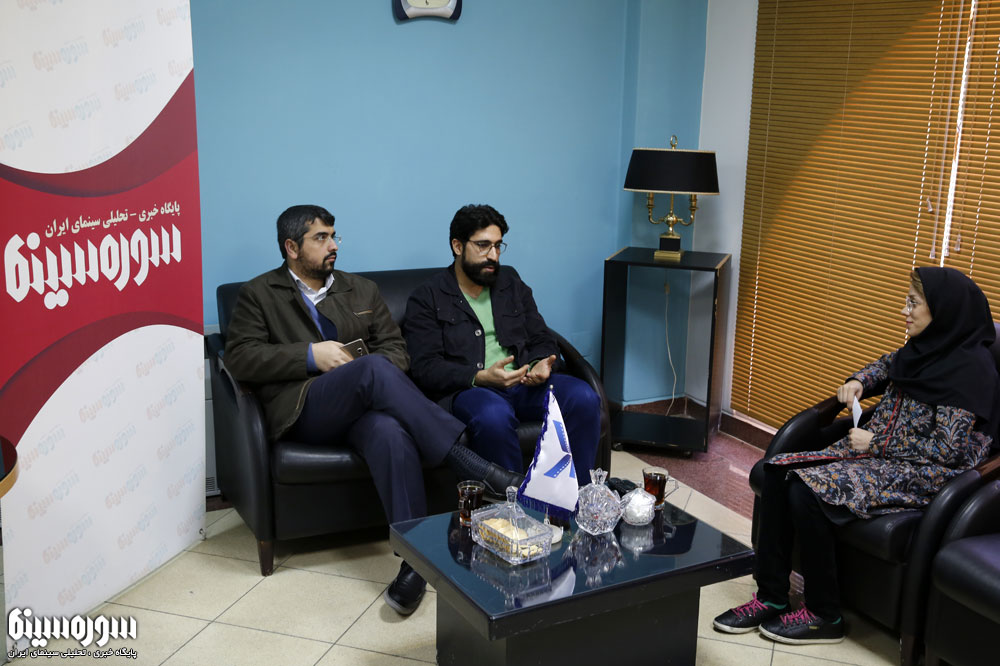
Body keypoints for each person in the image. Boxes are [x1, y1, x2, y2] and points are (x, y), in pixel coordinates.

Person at [224, 205, 523, 617]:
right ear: (292, 248)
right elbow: (240, 357)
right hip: (304, 409)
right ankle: (469, 463)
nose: (333, 245)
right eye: (321, 238)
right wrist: (310, 355)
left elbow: (397, 351)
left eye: (334, 236)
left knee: (389, 432)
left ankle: (415, 561)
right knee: (371, 369)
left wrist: (364, 371)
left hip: (363, 409)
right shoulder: (258, 294)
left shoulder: (361, 289)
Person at [712, 266, 998, 645]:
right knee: (777, 472)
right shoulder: (924, 349)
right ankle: (771, 597)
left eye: (913, 303)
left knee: (805, 489)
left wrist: (876, 444)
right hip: (879, 455)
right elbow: (887, 364)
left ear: (942, 311)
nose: (903, 310)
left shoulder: (969, 372)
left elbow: (947, 451)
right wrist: (859, 380)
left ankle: (824, 615)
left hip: (923, 474)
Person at [403, 204, 600, 483]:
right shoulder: (428, 297)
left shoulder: (511, 285)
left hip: (524, 384)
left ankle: (579, 497)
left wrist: (540, 363)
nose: (493, 255)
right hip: (472, 390)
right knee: (493, 416)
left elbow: (542, 336)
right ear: (458, 246)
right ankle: (513, 504)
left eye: (497, 246)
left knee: (583, 397)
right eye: (483, 245)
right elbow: (426, 367)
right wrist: (479, 376)